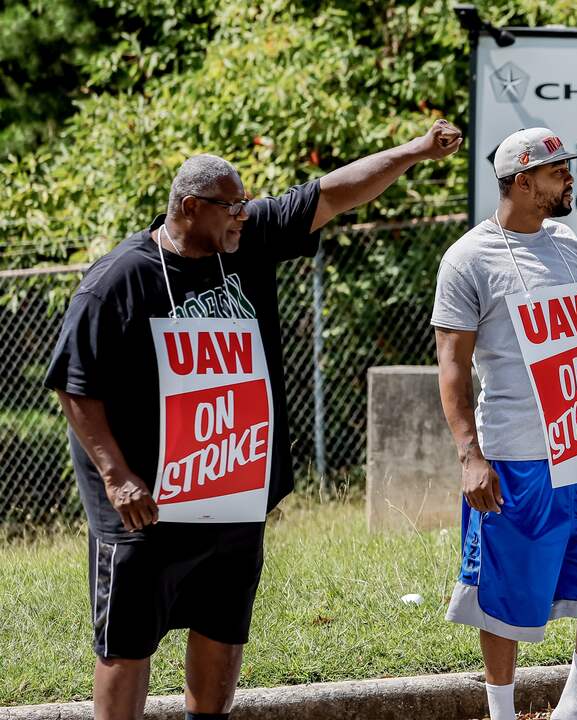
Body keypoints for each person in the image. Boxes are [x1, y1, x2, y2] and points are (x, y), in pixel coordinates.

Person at [44, 119, 462, 720]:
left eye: (245, 203)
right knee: (128, 640)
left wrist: (417, 150)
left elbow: (334, 192)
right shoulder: (118, 282)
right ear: (190, 207)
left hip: (229, 487)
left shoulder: (244, 242)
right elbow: (76, 385)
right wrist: (116, 476)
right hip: (146, 501)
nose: (243, 213)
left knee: (223, 623)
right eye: (230, 205)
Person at [433, 127, 577, 720]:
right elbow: (453, 371)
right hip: (516, 452)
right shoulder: (467, 259)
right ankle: (501, 711)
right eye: (557, 170)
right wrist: (471, 457)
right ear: (521, 180)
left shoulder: (567, 244)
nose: (569, 178)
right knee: (509, 583)